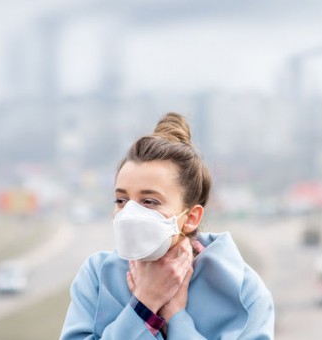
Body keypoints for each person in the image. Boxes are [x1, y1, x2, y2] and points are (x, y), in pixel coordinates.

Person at [60, 112, 274, 339]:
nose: (130, 213)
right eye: (121, 200)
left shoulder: (245, 291)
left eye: (149, 201)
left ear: (191, 217)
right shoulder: (96, 275)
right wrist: (144, 305)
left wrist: (176, 318)